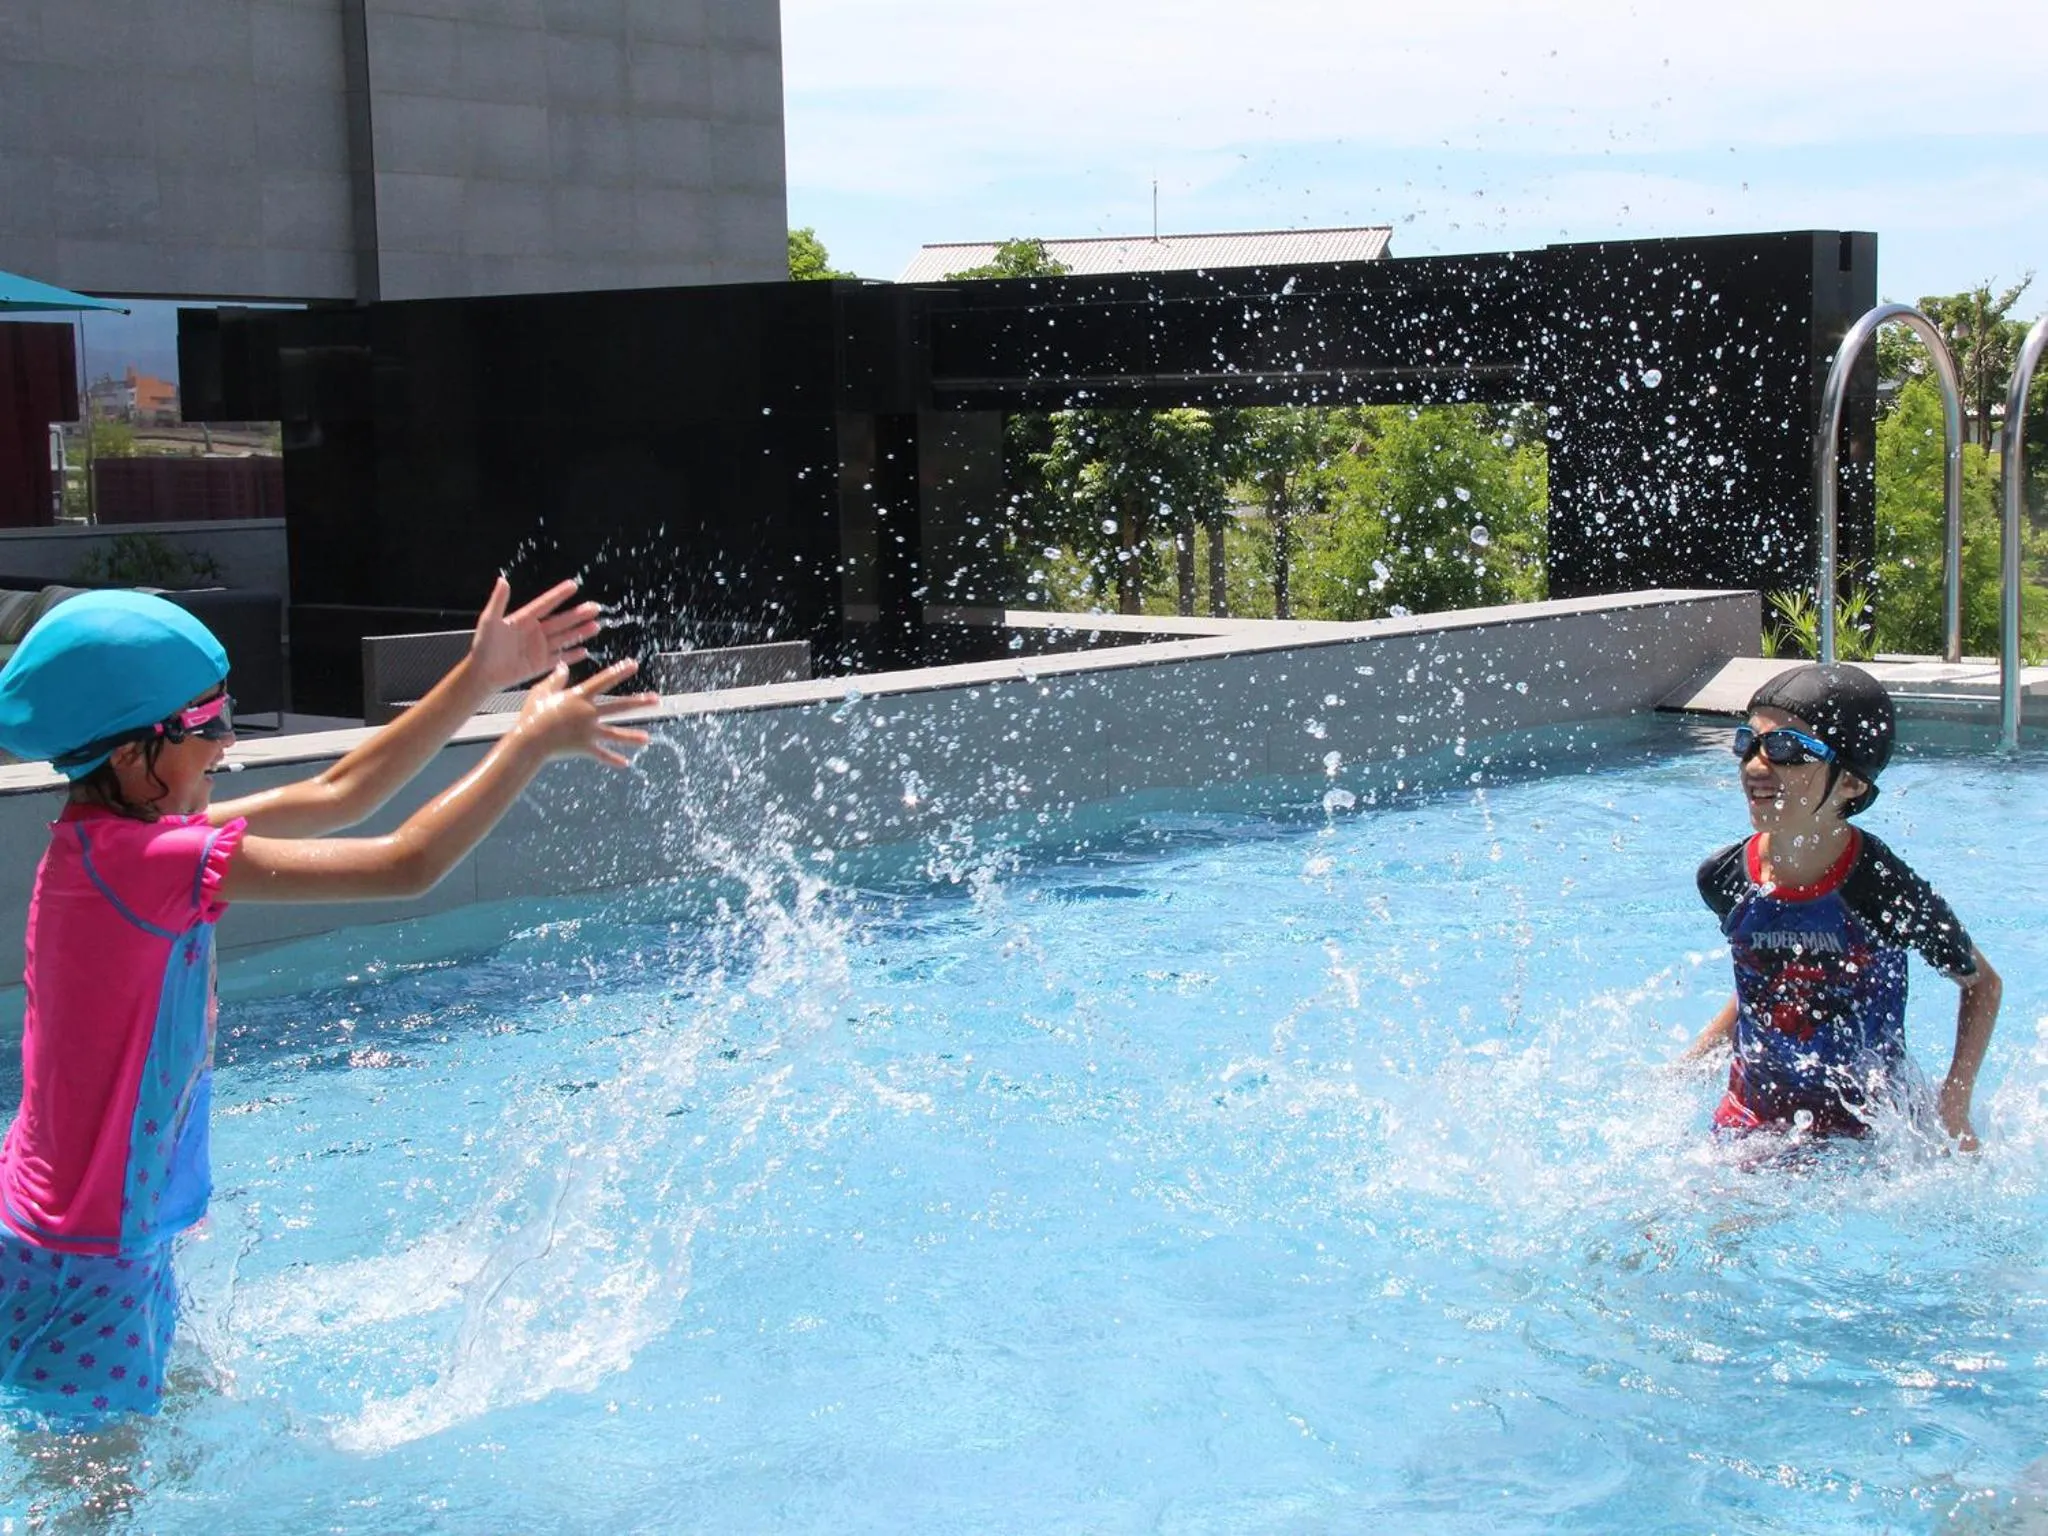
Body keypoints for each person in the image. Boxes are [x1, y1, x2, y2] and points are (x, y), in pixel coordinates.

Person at [0, 578, 657, 1420]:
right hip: (86, 1254)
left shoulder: (109, 844)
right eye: (201, 724)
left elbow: (338, 792)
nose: (227, 741)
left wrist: (478, 677)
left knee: (168, 1425)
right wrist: (525, 744)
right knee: (94, 1491)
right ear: (129, 755)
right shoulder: (152, 865)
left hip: (77, 1227)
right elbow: (405, 864)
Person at [1681, 662, 2000, 1148]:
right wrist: (1690, 1063)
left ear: (1851, 784)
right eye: (1749, 742)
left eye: (1788, 749)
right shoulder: (1724, 877)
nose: (1755, 766)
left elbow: (1981, 984)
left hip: (1868, 1129)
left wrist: (1953, 1104)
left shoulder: (1879, 886)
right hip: (1754, 1116)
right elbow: (1762, 974)